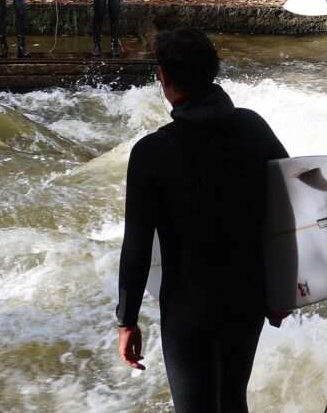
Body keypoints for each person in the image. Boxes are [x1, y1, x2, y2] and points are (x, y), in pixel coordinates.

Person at [116, 28, 289, 412]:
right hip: (248, 295)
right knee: (232, 401)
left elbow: (138, 244)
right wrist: (283, 289)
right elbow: (289, 206)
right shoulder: (253, 128)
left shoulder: (152, 152)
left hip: (188, 306)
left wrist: (126, 319)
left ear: (164, 77)